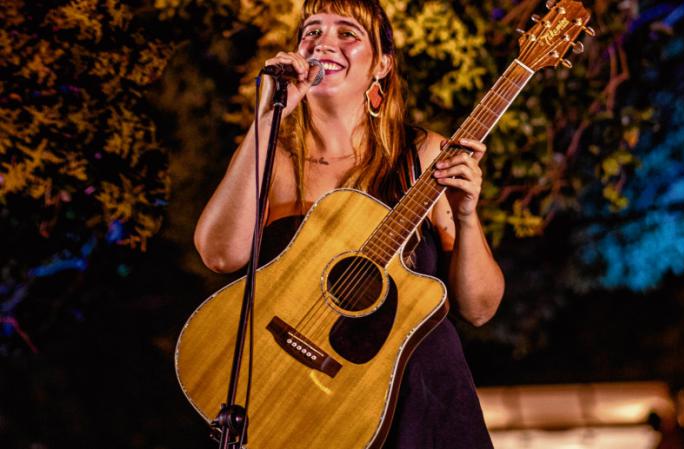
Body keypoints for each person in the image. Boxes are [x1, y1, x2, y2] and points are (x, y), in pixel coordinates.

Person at [193, 0, 504, 447]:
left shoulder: (423, 156)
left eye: (347, 33)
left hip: (420, 396)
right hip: (303, 403)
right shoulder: (273, 158)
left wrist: (468, 216)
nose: (324, 43)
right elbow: (220, 253)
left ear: (381, 64)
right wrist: (266, 117)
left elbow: (479, 308)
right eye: (312, 31)